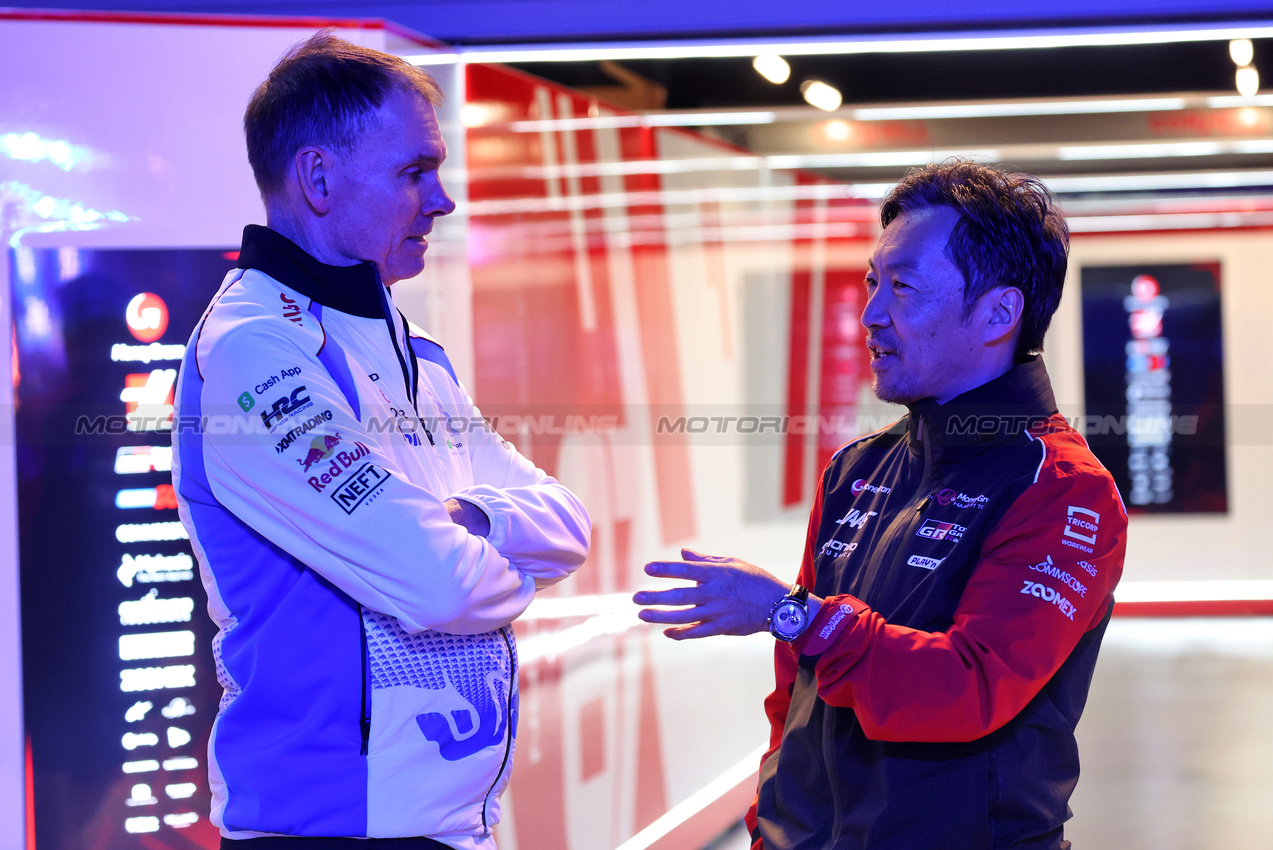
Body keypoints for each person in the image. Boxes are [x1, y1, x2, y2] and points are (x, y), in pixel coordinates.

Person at [172, 33, 590, 849]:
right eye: (414, 172)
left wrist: (465, 515)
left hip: (445, 827)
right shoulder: (253, 351)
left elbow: (569, 526)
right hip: (327, 830)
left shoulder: (409, 344)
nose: (442, 201)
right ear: (319, 178)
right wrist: (486, 545)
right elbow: (441, 587)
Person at [634, 160, 1126, 850]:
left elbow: (967, 687)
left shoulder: (1063, 489)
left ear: (997, 313)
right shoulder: (855, 469)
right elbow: (794, 697)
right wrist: (767, 829)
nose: (870, 314)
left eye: (902, 288)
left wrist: (793, 615)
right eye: (872, 281)